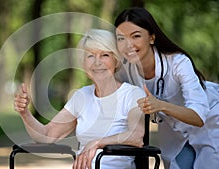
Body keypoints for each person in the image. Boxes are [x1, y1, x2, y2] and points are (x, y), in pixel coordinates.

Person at [14, 29, 147, 169]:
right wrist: (24, 112)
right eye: (90, 56)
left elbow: (136, 136)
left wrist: (98, 142)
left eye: (105, 55)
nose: (97, 62)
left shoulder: (132, 94)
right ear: (83, 63)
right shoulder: (81, 96)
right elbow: (47, 135)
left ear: (116, 60)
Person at [114, 7, 219, 169]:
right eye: (121, 38)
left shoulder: (178, 63)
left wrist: (160, 105)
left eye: (136, 36)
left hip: (210, 119)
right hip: (174, 130)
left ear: (151, 37)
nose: (128, 45)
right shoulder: (124, 72)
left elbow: (199, 117)